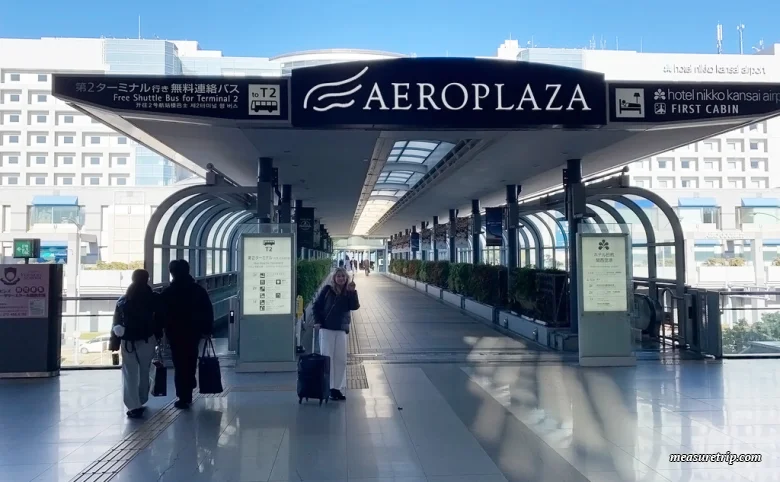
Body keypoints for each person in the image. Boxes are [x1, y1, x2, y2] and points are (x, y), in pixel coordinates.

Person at [159, 260, 214, 409]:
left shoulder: (168, 293)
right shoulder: (198, 290)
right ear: (188, 271)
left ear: (172, 273)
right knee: (190, 359)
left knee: (179, 364)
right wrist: (207, 330)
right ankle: (189, 382)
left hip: (175, 333)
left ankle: (184, 396)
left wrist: (160, 331)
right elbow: (207, 311)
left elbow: (161, 314)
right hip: (193, 332)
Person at [109, 269, 161, 418]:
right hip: (147, 339)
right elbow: (160, 319)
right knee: (145, 370)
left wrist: (114, 342)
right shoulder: (154, 298)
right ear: (147, 279)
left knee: (129, 372)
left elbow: (116, 321)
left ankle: (133, 405)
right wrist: (159, 335)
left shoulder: (124, 299)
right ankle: (142, 398)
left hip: (127, 340)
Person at [312, 267, 359, 401]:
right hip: (326, 328)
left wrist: (353, 292)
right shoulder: (328, 290)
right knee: (328, 358)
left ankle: (336, 388)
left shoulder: (348, 292)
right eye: (338, 276)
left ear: (347, 278)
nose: (341, 278)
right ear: (334, 278)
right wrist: (318, 321)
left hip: (341, 329)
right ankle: (328, 387)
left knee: (341, 360)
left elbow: (354, 306)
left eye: (343, 276)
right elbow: (316, 306)